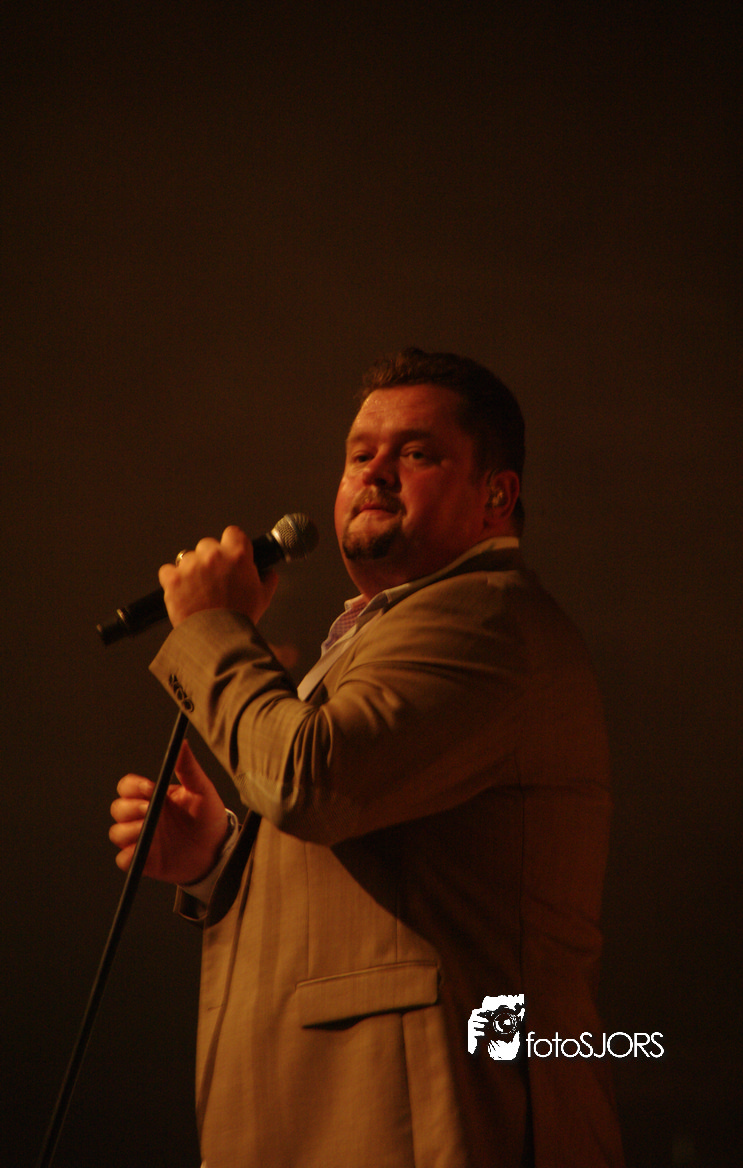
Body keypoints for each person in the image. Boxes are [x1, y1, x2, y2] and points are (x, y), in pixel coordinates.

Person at [109, 349, 623, 1167]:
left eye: (416, 453)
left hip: (428, 1118)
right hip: (333, 1115)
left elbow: (312, 782)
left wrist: (210, 626)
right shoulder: (379, 638)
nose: (375, 473)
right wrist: (218, 860)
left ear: (497, 495)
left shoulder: (486, 619)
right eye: (359, 456)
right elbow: (366, 860)